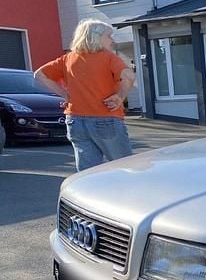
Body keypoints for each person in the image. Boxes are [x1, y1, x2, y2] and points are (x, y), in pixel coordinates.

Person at [35, 19, 136, 171]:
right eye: (109, 36)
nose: (112, 41)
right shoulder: (108, 58)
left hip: (75, 120)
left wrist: (66, 95)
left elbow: (40, 74)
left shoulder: (68, 59)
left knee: (88, 172)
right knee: (125, 167)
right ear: (96, 37)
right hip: (105, 118)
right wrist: (120, 97)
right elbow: (129, 76)